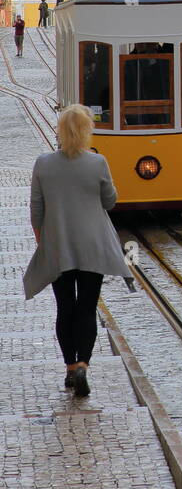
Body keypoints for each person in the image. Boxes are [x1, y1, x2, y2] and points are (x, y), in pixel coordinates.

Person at [23, 104, 130, 397]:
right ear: (86, 132)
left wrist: (42, 239)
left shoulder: (43, 163)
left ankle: (70, 367)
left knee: (64, 307)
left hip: (59, 245)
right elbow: (110, 201)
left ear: (60, 131)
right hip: (92, 246)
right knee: (87, 307)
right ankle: (83, 362)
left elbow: (36, 210)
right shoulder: (98, 163)